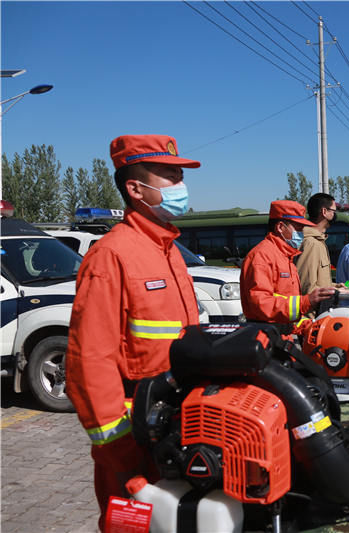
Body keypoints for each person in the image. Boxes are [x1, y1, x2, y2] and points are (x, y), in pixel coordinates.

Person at [65, 134, 202, 530]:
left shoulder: (170, 250)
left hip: (174, 432)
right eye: (170, 176)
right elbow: (88, 363)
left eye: (181, 176)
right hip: (133, 443)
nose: (181, 187)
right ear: (135, 189)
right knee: (132, 526)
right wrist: (120, 450)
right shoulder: (111, 255)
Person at [240, 200, 335, 324]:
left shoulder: (286, 256)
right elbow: (261, 304)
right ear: (280, 227)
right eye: (298, 228)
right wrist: (306, 302)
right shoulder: (261, 257)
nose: (302, 233)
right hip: (266, 337)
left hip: (282, 335)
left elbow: (289, 308)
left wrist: (307, 326)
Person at [297, 193, 337, 295]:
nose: (334, 215)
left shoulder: (319, 241)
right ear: (324, 211)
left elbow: (320, 283)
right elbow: (307, 288)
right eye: (333, 211)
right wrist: (335, 293)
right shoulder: (312, 243)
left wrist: (336, 287)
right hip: (315, 310)